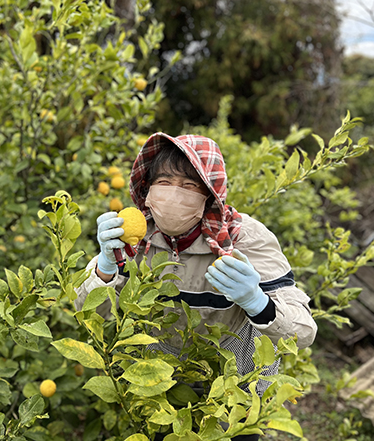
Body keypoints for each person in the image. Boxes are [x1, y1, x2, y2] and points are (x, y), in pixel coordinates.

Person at [74, 133, 317, 441]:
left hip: (233, 389)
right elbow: (89, 312)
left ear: (210, 194)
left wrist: (258, 303)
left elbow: (304, 332)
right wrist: (105, 269)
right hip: (161, 387)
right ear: (146, 190)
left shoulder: (244, 240)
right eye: (164, 182)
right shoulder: (132, 238)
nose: (174, 195)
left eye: (189, 185)